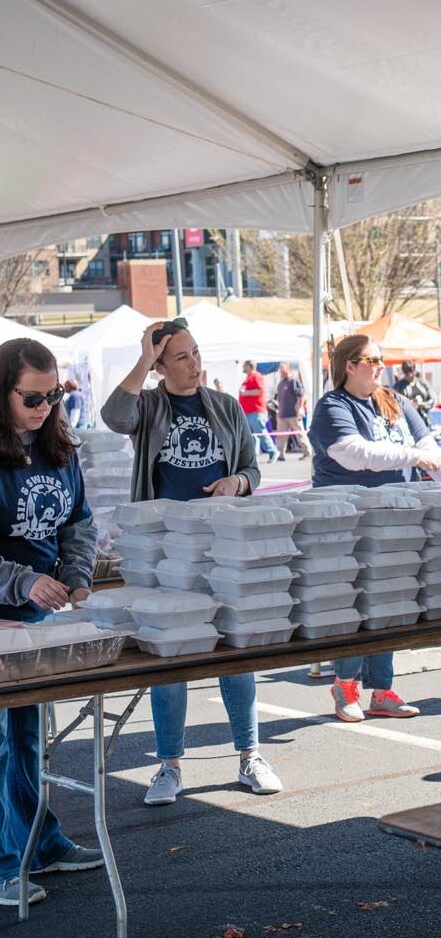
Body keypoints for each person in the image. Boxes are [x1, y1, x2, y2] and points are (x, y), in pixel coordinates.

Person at [101, 319, 281, 805]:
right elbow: (115, 415)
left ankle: (249, 754)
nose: (194, 364)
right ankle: (168, 765)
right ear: (159, 366)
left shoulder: (225, 406)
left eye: (196, 353)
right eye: (181, 357)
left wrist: (237, 484)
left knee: (237, 651)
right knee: (171, 656)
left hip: (223, 549)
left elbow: (252, 468)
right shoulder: (150, 406)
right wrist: (142, 357)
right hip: (163, 556)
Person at [0, 339, 103, 908]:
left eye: (53, 394)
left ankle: (40, 843)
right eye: (30, 397)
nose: (43, 407)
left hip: (38, 620)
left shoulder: (60, 445)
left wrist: (77, 572)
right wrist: (21, 580)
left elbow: (79, 522)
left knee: (29, 742)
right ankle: (2, 865)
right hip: (3, 616)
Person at [308, 334, 441, 722]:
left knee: (389, 601)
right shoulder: (332, 407)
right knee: (352, 602)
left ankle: (382, 689)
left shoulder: (396, 401)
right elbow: (354, 454)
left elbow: (432, 452)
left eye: (382, 359)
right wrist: (417, 457)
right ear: (348, 365)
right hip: (348, 523)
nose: (380, 366)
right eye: (371, 359)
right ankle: (345, 684)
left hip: (397, 522)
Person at [239, 359, 277, 464]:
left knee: (261, 433)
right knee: (250, 435)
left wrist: (245, 393)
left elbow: (260, 390)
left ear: (249, 366)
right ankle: (252, 456)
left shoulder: (256, 376)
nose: (243, 367)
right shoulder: (249, 377)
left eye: (244, 365)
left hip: (256, 410)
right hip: (248, 411)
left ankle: (272, 451)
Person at [274, 363, 309, 461]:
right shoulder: (280, 384)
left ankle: (307, 453)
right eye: (280, 368)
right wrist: (278, 411)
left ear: (288, 369)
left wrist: (301, 408)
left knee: (300, 434)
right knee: (280, 436)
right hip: (283, 414)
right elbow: (279, 399)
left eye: (282, 368)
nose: (280, 370)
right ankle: (279, 454)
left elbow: (301, 395)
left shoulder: (293, 381)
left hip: (294, 414)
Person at [393, 360, 434, 426]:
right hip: (407, 420)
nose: (409, 375)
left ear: (414, 370)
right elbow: (393, 401)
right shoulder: (398, 386)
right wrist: (408, 404)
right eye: (407, 372)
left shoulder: (422, 383)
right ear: (404, 372)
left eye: (411, 371)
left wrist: (424, 404)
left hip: (423, 418)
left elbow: (432, 399)